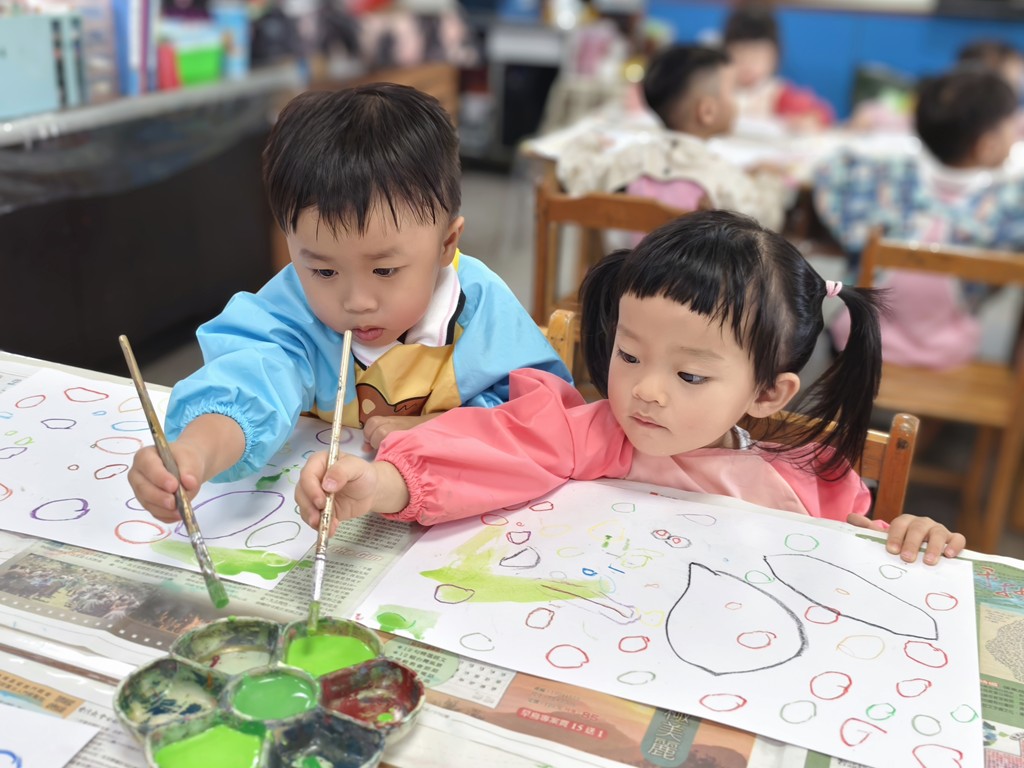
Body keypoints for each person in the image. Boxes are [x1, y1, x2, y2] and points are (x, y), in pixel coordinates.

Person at [296, 211, 966, 566]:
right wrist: (379, 485)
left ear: (768, 393)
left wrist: (909, 535)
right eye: (629, 354)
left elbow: (862, 557)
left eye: (690, 375)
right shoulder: (596, 435)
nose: (646, 391)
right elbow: (491, 448)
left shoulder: (814, 486)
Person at [128, 83, 571, 523]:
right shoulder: (292, 308)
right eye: (323, 271)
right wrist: (194, 454)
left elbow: (545, 422)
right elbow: (248, 384)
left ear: (446, 244)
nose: (356, 302)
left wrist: (433, 430)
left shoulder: (479, 309)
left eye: (385, 271)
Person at [816, 69, 1024, 368]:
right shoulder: (1009, 204)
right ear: (987, 146)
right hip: (945, 353)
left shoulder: (884, 179)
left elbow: (829, 168)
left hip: (856, 341)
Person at [556, 44, 788, 232]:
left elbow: (575, 171)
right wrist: (769, 178)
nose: (737, 101)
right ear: (707, 112)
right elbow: (766, 220)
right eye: (733, 92)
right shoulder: (724, 178)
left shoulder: (630, 160)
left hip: (628, 274)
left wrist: (592, 144)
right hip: (696, 279)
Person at [722, 3, 833, 130]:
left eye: (756, 57)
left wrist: (809, 120)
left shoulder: (778, 94)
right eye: (740, 56)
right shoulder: (720, 91)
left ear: (774, 57)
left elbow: (823, 112)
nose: (748, 65)